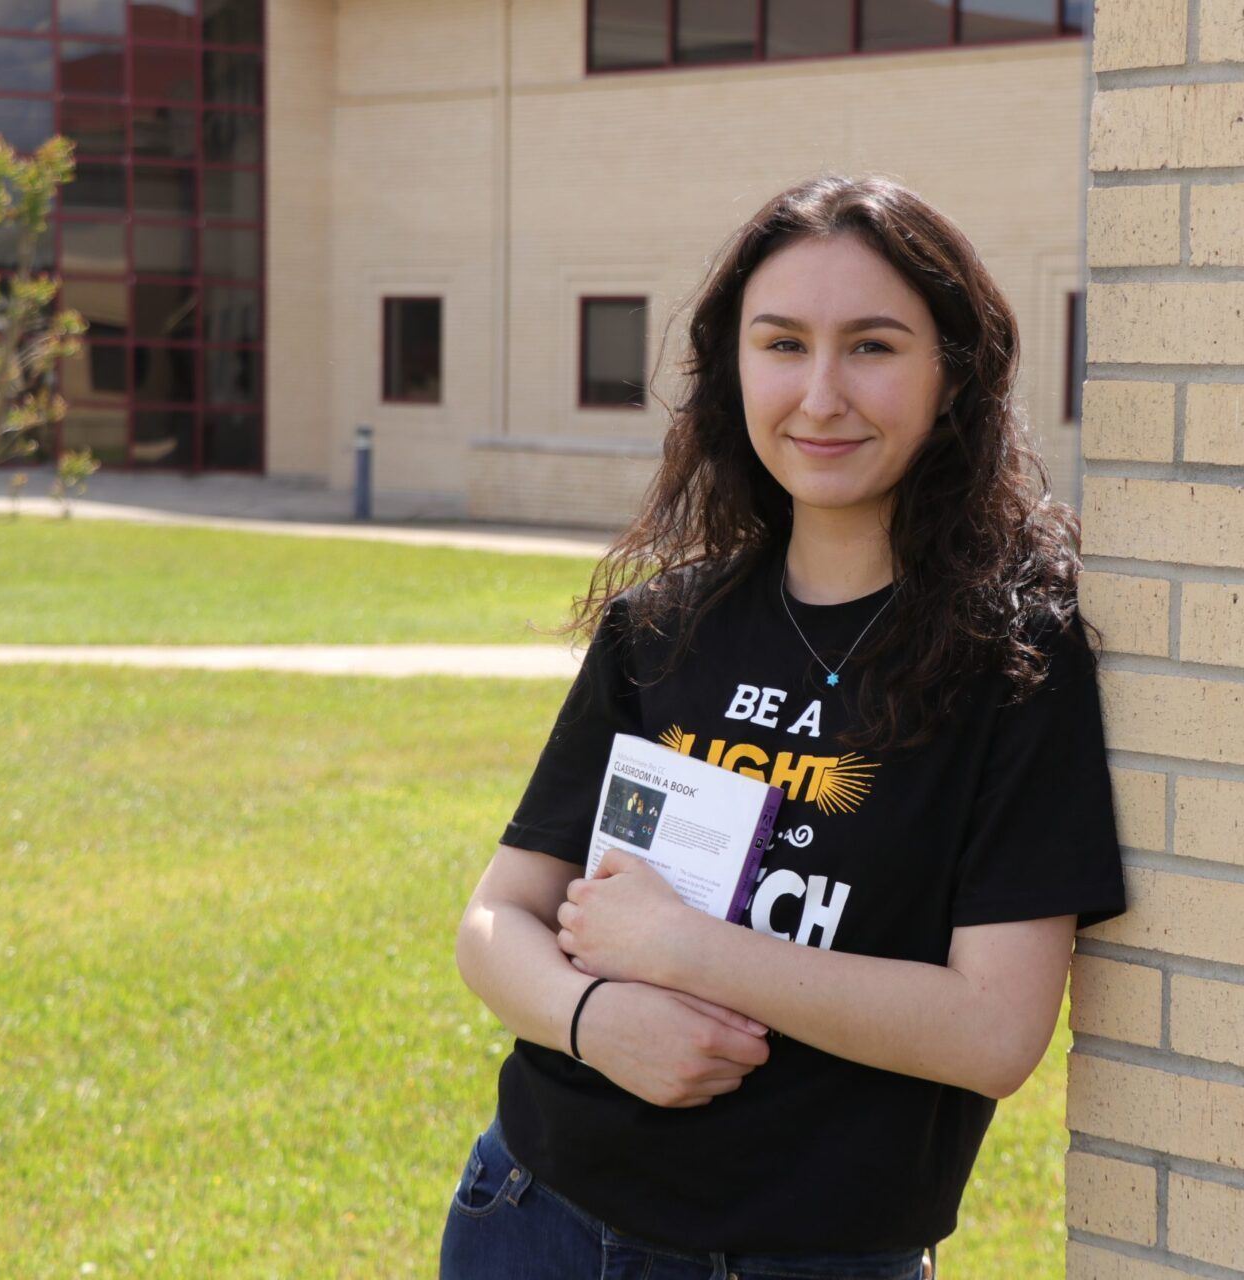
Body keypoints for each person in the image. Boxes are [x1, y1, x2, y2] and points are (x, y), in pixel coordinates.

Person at [442, 173, 1128, 1280]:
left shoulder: (1016, 663)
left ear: (952, 373)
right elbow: (496, 919)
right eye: (780, 343)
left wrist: (686, 948)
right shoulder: (663, 626)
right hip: (537, 1215)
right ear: (733, 369)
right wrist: (590, 1018)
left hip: (810, 1255)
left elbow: (996, 1032)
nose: (819, 394)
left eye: (871, 346)